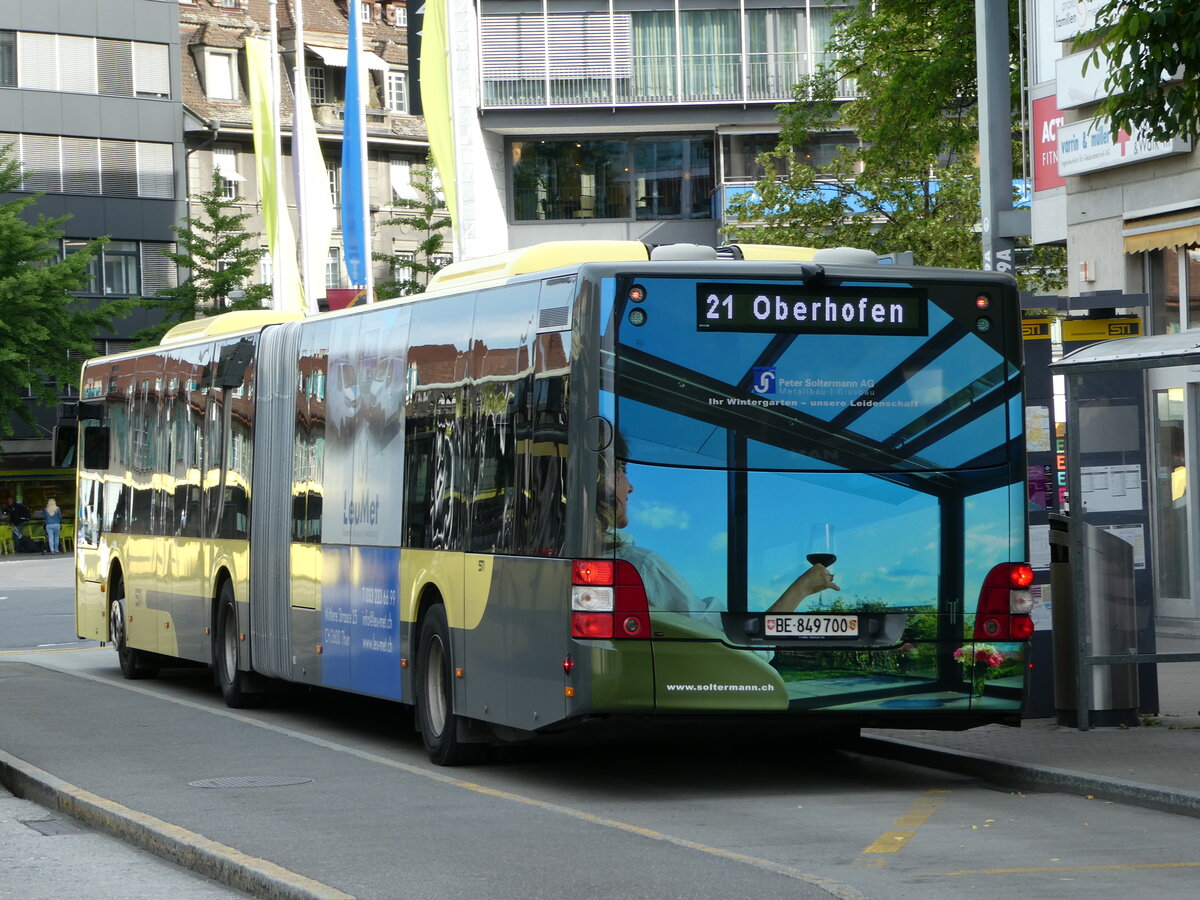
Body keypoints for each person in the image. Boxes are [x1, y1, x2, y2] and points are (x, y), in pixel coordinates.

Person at [599, 457, 838, 627]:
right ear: (599, 476)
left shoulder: (598, 560)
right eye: (622, 469)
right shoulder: (639, 566)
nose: (631, 487)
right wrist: (801, 588)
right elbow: (739, 644)